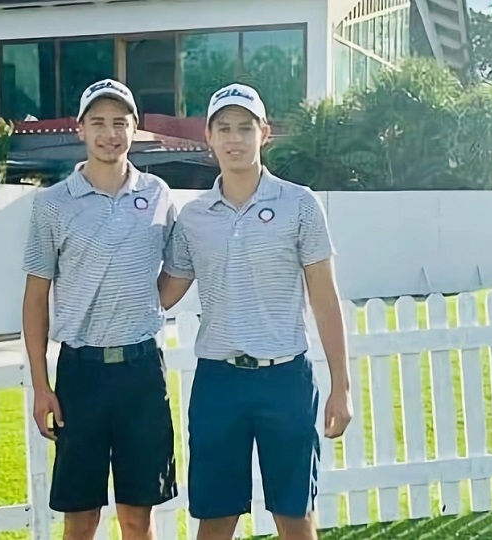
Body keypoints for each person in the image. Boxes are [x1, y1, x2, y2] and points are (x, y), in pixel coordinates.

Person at [158, 83, 353, 540]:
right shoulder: (193, 217)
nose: (234, 138)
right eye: (223, 128)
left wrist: (341, 386)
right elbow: (164, 295)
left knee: (294, 514)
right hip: (218, 382)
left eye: (245, 128)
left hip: (284, 377)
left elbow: (325, 299)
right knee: (216, 516)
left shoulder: (300, 204)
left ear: (264, 133)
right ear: (208, 137)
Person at [22, 78, 178, 540]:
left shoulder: (158, 194)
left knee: (137, 517)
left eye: (119, 122)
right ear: (81, 129)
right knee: (81, 518)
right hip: (81, 375)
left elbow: (180, 269)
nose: (109, 133)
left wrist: (149, 301)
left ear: (135, 129)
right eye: (98, 123)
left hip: (142, 371)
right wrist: (40, 385)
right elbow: (35, 298)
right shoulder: (51, 205)